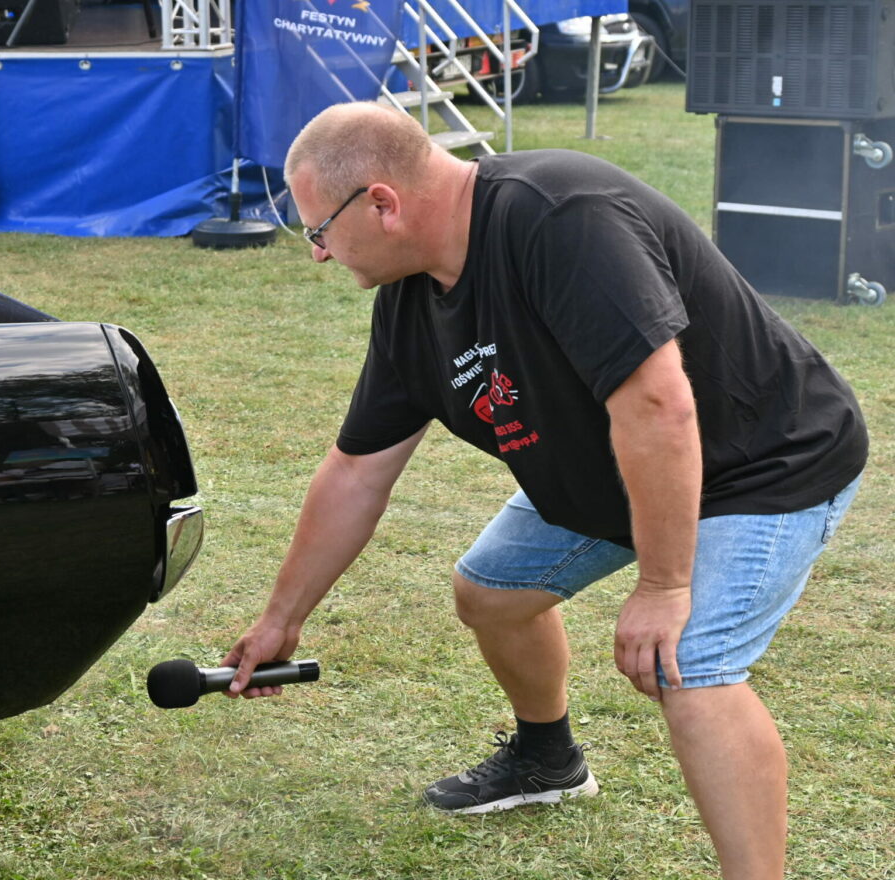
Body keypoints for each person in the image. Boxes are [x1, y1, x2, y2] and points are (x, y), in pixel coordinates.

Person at [220, 102, 866, 880]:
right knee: (491, 591)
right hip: (618, 469)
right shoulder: (413, 302)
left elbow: (657, 404)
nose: (318, 254)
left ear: (382, 203)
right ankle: (548, 760)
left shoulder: (561, 216)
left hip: (761, 462)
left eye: (319, 230)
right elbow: (358, 470)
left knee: (689, 663)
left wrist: (665, 586)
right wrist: (280, 620)